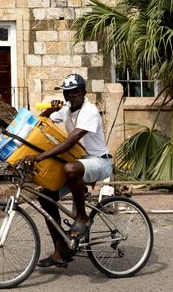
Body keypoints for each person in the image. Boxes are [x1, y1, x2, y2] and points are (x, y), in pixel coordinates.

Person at [22, 73, 112, 268]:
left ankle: (82, 217)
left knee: (70, 168)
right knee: (46, 196)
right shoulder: (67, 110)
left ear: (82, 92)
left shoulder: (90, 111)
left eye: (73, 93)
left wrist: (41, 156)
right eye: (66, 92)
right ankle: (60, 251)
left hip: (99, 162)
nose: (69, 96)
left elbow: (71, 140)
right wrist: (49, 110)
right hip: (82, 164)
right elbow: (43, 123)